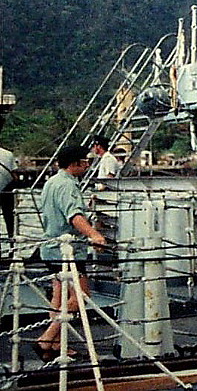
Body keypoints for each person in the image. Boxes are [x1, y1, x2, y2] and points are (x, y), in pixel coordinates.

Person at [36, 145, 107, 361]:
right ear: (75, 163)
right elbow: (74, 215)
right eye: (85, 161)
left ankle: (57, 343)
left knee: (59, 296)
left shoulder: (52, 182)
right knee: (80, 296)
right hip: (67, 252)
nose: (88, 165)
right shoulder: (67, 186)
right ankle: (47, 338)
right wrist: (95, 235)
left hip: (50, 248)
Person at [0, 141, 16, 239]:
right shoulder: (8, 154)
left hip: (5, 190)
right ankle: (12, 243)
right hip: (7, 191)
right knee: (10, 219)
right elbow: (14, 174)